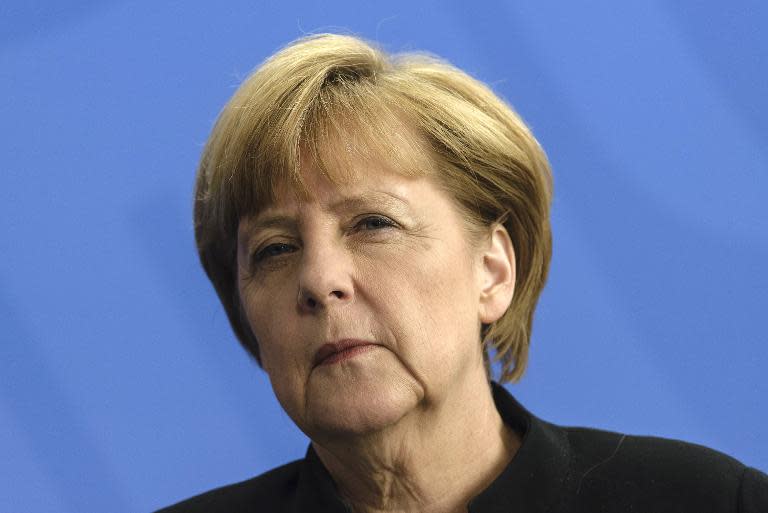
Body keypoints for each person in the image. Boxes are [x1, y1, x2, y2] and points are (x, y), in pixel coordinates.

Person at [158, 33, 768, 513]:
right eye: (273, 250)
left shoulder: (709, 501)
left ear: (492, 271)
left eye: (373, 223)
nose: (319, 280)